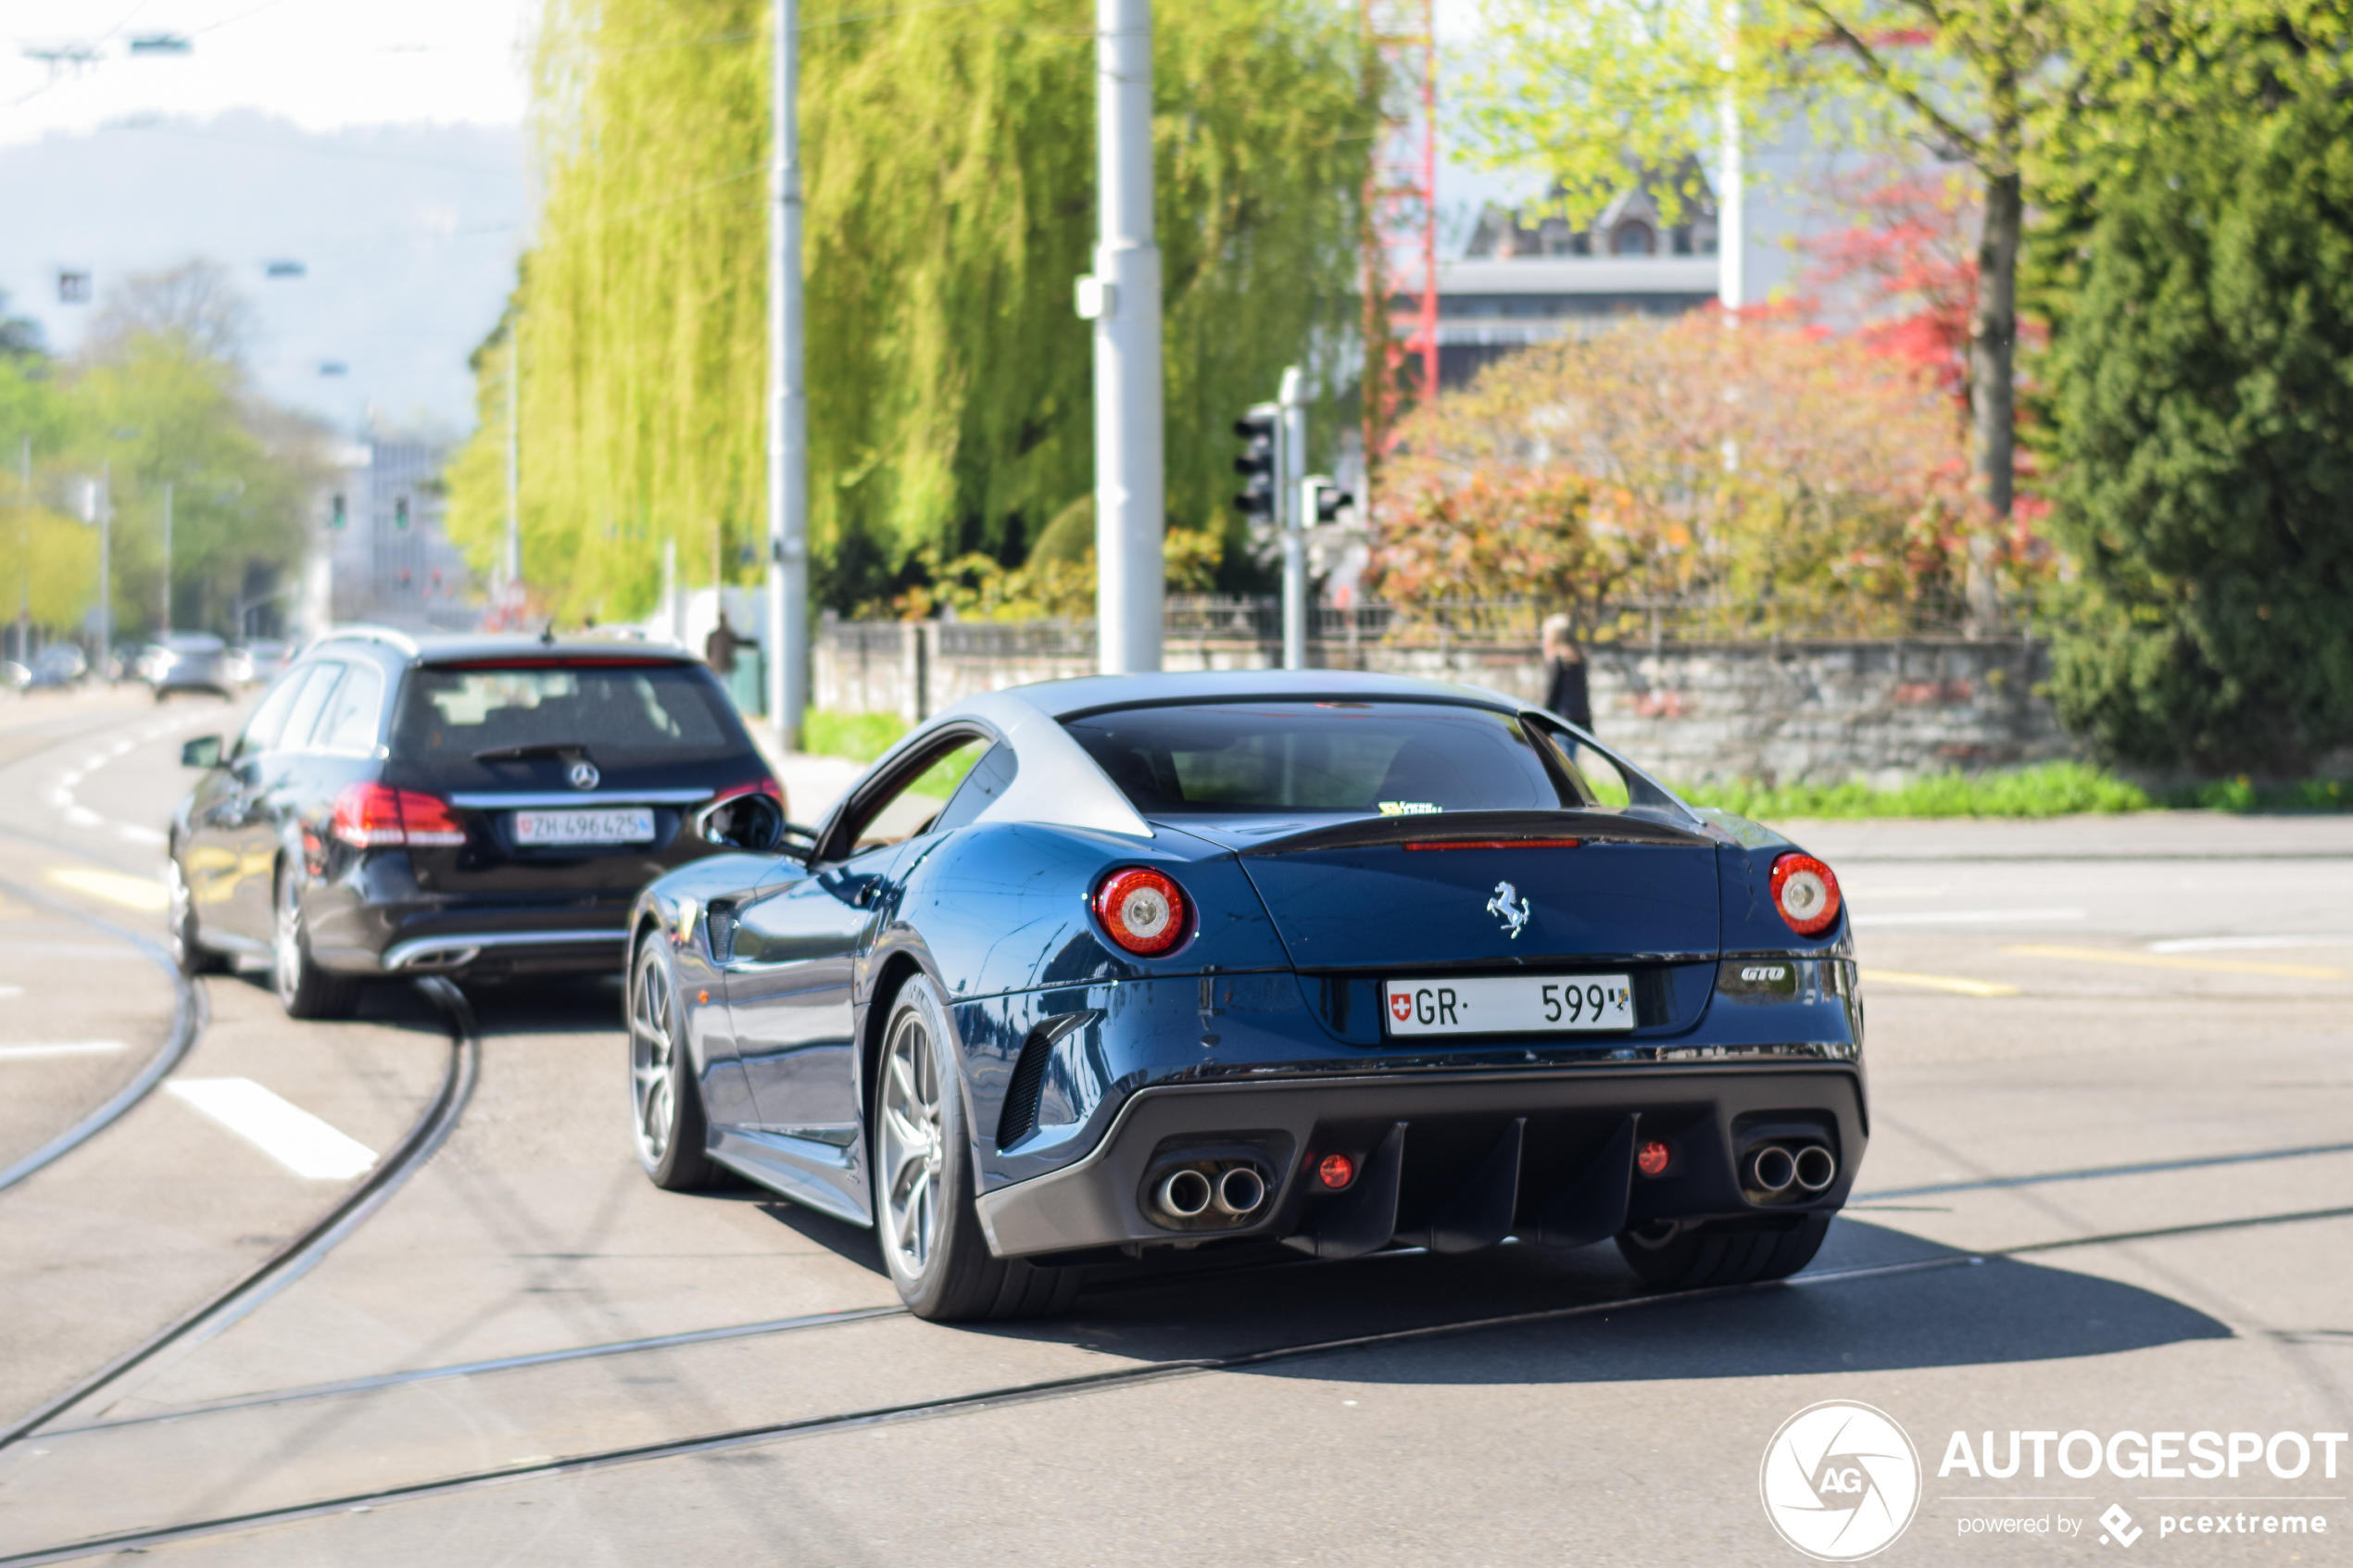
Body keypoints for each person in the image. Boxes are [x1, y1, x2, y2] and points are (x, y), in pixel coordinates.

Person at [1541, 613, 1593, 732]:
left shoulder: (1558, 659)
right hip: (1579, 717)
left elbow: (1551, 690)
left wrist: (1542, 717)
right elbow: (1584, 690)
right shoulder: (1580, 657)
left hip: (1561, 718)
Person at [704, 609, 740, 676]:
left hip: (714, 665)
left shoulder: (712, 635)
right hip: (725, 666)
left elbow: (707, 651)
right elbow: (738, 643)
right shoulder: (728, 634)